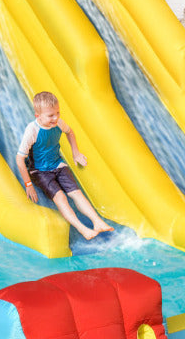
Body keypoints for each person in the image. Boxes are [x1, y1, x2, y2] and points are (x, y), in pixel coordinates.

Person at [16, 91, 113, 240]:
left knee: (76, 193)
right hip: (40, 171)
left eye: (57, 113)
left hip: (58, 165)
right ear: (38, 116)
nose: (55, 118)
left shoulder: (58, 123)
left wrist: (76, 153)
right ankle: (83, 229)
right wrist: (28, 184)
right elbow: (19, 159)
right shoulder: (32, 130)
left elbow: (70, 132)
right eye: (50, 115)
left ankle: (97, 222)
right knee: (61, 197)